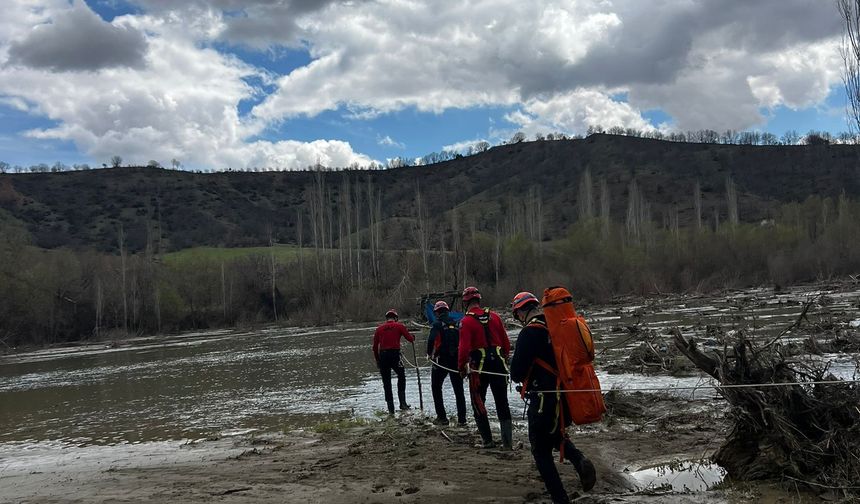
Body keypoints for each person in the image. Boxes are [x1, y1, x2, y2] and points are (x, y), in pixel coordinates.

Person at [509, 291, 596, 503]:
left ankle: (560, 499)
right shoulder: (557, 328)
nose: (518, 319)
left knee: (541, 451)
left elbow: (516, 373)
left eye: (517, 314)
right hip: (565, 397)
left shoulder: (529, 333)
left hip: (543, 399)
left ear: (521, 312)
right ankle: (579, 460)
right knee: (555, 434)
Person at [457, 286, 513, 448]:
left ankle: (487, 441)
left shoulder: (466, 322)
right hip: (499, 364)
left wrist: (461, 367)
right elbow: (506, 343)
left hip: (478, 367)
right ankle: (507, 442)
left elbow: (463, 348)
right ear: (479, 300)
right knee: (502, 402)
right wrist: (505, 357)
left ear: (465, 302)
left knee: (478, 402)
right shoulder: (495, 317)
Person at [426, 300, 467, 426]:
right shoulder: (456, 324)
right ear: (447, 311)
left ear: (437, 313)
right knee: (459, 391)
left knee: (436, 387)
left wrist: (429, 354)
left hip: (441, 361)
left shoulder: (437, 324)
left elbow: (431, 339)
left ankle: (442, 417)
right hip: (456, 360)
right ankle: (462, 420)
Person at [372, 309, 415, 415]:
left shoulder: (379, 329)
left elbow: (374, 347)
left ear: (386, 319)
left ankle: (391, 409)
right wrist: (413, 337)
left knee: (386, 382)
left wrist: (378, 360)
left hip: (383, 356)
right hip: (395, 355)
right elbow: (410, 339)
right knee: (401, 376)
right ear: (395, 318)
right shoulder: (400, 326)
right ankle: (403, 403)